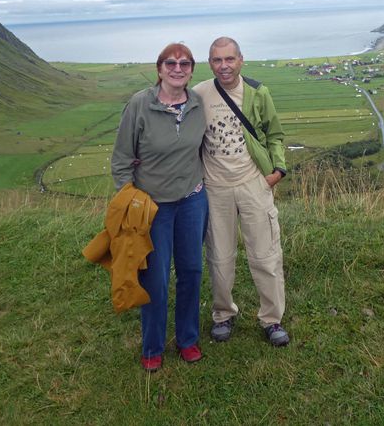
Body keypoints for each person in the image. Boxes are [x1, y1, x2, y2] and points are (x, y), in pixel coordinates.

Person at [110, 43, 208, 372]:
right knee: (155, 277)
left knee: (192, 272)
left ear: (192, 70)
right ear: (159, 68)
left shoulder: (197, 103)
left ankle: (187, 339)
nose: (177, 68)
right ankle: (152, 346)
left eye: (184, 63)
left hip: (193, 200)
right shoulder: (140, 104)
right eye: (171, 62)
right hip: (153, 209)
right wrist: (129, 199)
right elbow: (122, 158)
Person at [193, 36, 290, 347]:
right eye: (217, 60)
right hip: (214, 188)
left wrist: (277, 172)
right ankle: (223, 314)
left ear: (241, 60)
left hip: (253, 184)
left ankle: (272, 320)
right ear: (210, 63)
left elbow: (274, 133)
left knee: (266, 255)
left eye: (229, 59)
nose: (224, 66)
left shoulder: (258, 92)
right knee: (220, 258)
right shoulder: (199, 94)